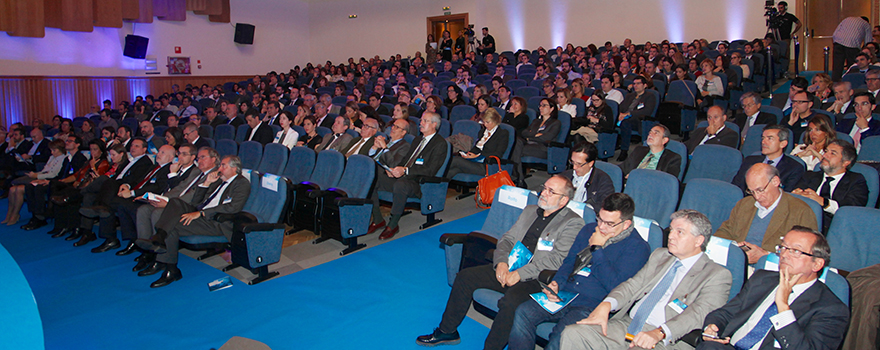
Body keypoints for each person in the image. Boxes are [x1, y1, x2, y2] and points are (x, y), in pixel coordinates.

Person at [416, 176, 584, 349]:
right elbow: (507, 239)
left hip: (537, 279)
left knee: (511, 302)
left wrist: (520, 274)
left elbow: (557, 259)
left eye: (551, 191)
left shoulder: (573, 222)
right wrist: (501, 263)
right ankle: (447, 330)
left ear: (563, 200)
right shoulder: (530, 210)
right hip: (512, 265)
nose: (544, 193)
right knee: (466, 277)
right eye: (544, 188)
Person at [560, 210, 732, 350]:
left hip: (666, 339)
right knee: (573, 333)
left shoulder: (716, 275)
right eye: (671, 230)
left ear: (699, 240)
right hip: (629, 325)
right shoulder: (660, 255)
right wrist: (607, 305)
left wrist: (659, 333)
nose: (671, 236)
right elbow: (631, 285)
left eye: (680, 232)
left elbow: (697, 315)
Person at [509, 193, 651, 350]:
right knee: (523, 312)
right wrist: (557, 285)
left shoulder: (637, 248)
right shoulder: (589, 229)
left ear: (626, 224)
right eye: (600, 219)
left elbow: (614, 286)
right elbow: (569, 262)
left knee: (562, 336)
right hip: (565, 294)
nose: (601, 227)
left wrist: (597, 250)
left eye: (609, 223)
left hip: (592, 304)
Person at [699, 227, 849, 350]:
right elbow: (726, 313)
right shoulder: (762, 279)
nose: (784, 255)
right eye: (783, 248)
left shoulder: (831, 309)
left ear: (817, 264)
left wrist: (783, 307)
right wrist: (713, 326)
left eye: (795, 251)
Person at [136, 155, 249, 288]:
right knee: (175, 202)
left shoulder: (241, 183)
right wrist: (206, 184)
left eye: (224, 165)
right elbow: (196, 202)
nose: (220, 168)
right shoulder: (219, 181)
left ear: (235, 168)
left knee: (172, 225)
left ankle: (170, 268)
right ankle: (160, 241)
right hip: (200, 213)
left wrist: (201, 213)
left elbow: (232, 207)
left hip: (216, 222)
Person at [132, 146, 218, 274]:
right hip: (176, 204)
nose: (199, 160)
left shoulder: (216, 176)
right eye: (198, 158)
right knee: (144, 209)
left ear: (214, 159)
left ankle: (161, 260)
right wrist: (162, 199)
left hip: (191, 208)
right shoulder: (196, 172)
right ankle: (148, 252)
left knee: (158, 213)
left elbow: (194, 198)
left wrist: (167, 204)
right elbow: (179, 189)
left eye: (203, 157)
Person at [715, 163, 817, 264]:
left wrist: (766, 257)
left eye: (760, 190)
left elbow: (805, 256)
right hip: (738, 263)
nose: (757, 197)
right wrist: (736, 251)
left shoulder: (801, 211)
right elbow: (725, 232)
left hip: (772, 269)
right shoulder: (745, 204)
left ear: (775, 181)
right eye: (752, 191)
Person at [371, 113, 448, 240]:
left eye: (425, 121)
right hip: (404, 177)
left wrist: (405, 170)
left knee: (401, 185)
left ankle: (393, 224)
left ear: (434, 124)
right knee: (374, 178)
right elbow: (406, 160)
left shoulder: (440, 143)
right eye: (421, 120)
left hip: (419, 183)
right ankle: (378, 219)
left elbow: (430, 170)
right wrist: (394, 170)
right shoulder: (417, 140)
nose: (421, 123)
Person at [87, 145, 177, 254]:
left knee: (119, 204)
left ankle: (128, 240)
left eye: (162, 153)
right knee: (108, 203)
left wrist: (132, 193)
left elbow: (157, 188)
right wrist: (127, 186)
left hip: (146, 198)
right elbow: (138, 180)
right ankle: (110, 237)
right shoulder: (154, 167)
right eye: (159, 151)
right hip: (135, 193)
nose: (158, 154)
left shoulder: (168, 169)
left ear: (171, 157)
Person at [792, 139, 868, 231]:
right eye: (826, 151)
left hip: (836, 228)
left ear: (846, 162)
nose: (824, 155)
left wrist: (822, 201)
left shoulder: (856, 181)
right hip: (803, 223)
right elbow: (795, 196)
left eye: (833, 153)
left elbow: (850, 209)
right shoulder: (810, 176)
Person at [20, 136, 87, 231]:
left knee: (40, 187)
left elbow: (75, 176)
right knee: (30, 186)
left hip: (68, 184)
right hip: (60, 181)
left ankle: (40, 217)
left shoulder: (80, 158)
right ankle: (35, 215)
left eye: (70, 141)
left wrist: (50, 181)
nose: (67, 142)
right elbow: (60, 175)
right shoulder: (68, 158)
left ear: (77, 144)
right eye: (67, 140)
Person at [5, 140, 66, 227]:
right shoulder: (52, 157)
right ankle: (11, 213)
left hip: (50, 180)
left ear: (60, 149)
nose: (52, 152)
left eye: (54, 150)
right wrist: (36, 175)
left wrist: (37, 176)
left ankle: (21, 215)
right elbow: (44, 170)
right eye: (51, 150)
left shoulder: (64, 158)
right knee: (12, 189)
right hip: (42, 176)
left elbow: (54, 174)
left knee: (22, 188)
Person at [732, 124, 805, 193]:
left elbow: (786, 195)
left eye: (770, 138)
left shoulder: (794, 168)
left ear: (783, 144)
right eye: (763, 138)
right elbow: (736, 187)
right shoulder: (750, 161)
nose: (763, 142)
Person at [446, 109, 509, 179]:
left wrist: (477, 156)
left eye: (487, 122)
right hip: (475, 162)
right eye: (484, 122)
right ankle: (436, 185)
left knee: (456, 161)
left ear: (495, 121)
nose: (485, 124)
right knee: (454, 170)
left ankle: (433, 173)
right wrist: (468, 154)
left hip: (487, 165)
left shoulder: (502, 133)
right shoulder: (482, 132)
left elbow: (498, 153)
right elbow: (476, 148)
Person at [560, 142, 614, 211]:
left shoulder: (603, 180)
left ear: (590, 163)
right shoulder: (564, 176)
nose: (574, 167)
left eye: (579, 164)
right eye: (572, 162)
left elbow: (605, 205)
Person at [616, 76, 657, 161]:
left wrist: (629, 114)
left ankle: (624, 150)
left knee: (625, 123)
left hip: (638, 120)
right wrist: (620, 114)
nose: (635, 86)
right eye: (634, 83)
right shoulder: (629, 96)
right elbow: (621, 107)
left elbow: (647, 111)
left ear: (645, 85)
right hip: (624, 118)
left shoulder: (650, 96)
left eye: (638, 83)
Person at [831, 16, 873, 81]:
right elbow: (868, 42)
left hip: (838, 42)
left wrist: (835, 42)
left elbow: (835, 33)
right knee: (852, 66)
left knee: (837, 65)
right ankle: (851, 81)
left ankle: (835, 82)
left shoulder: (847, 18)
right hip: (853, 45)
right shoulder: (866, 24)